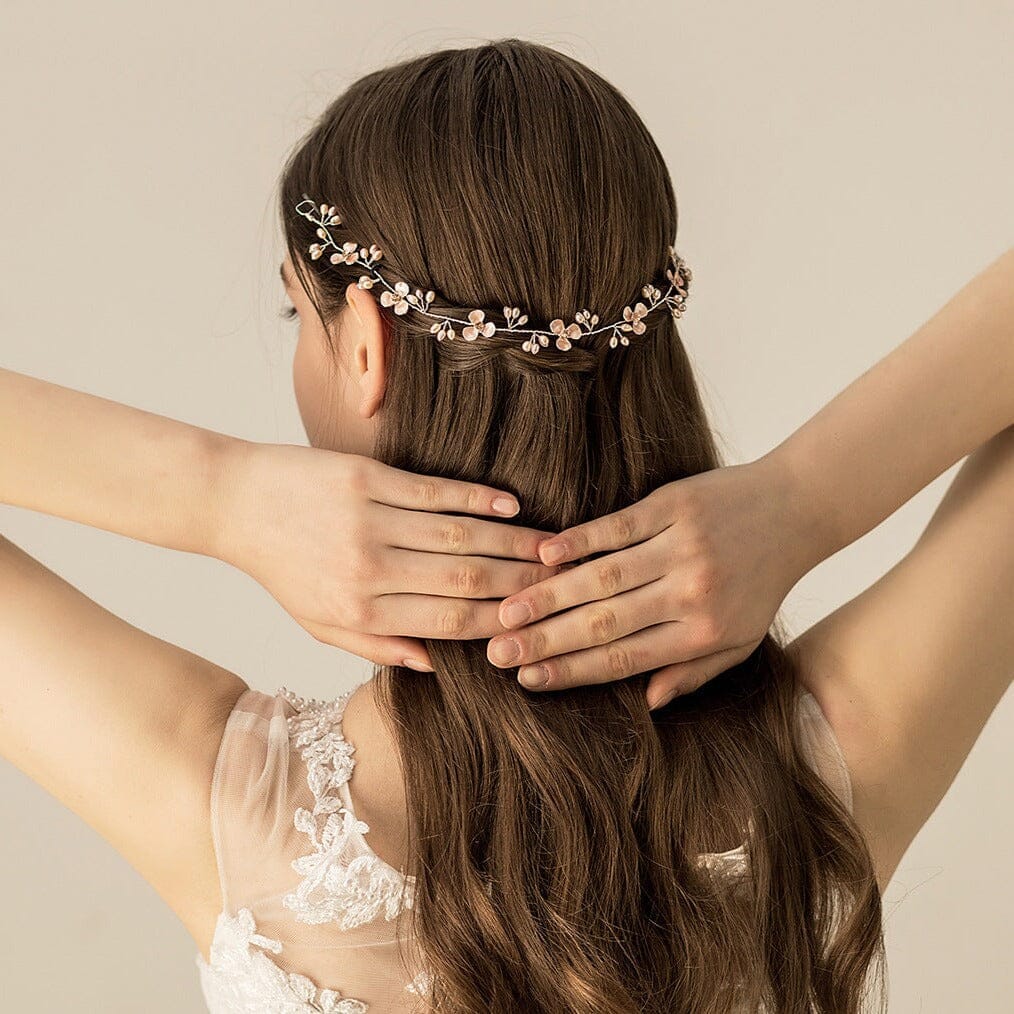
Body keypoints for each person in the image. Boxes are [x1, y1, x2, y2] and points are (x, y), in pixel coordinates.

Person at [1, 37, 1011, 1014]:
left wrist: (218, 496)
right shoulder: (837, 761)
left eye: (297, 316)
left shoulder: (223, 806)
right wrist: (805, 500)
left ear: (366, 352)